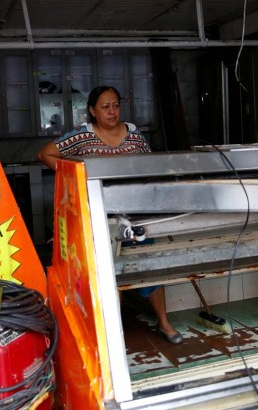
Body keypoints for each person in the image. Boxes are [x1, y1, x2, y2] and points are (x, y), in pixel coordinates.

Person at [37, 85, 183, 345]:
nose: (112, 111)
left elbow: (149, 165)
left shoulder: (134, 135)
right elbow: (45, 154)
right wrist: (75, 177)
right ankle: (114, 335)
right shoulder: (82, 137)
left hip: (136, 213)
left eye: (115, 105)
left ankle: (163, 322)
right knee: (108, 270)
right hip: (98, 215)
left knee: (149, 264)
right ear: (92, 111)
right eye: (105, 107)